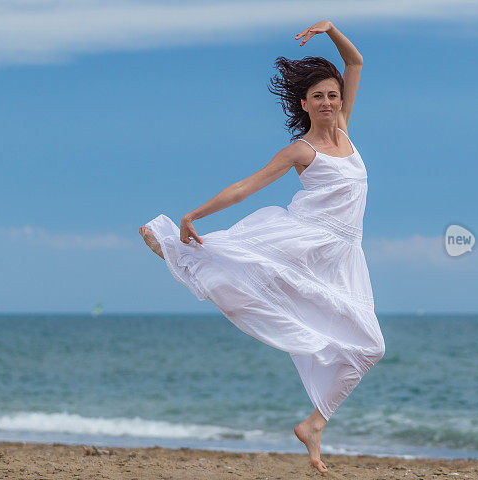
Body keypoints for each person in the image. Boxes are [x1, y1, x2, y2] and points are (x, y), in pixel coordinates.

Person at [139, 20, 384, 474]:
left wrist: (330, 29)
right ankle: (177, 247)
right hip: (305, 239)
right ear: (305, 104)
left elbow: (355, 61)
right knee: (245, 271)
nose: (329, 102)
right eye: (319, 97)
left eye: (333, 95)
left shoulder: (346, 129)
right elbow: (246, 187)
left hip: (345, 255)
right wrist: (196, 213)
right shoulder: (300, 150)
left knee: (369, 347)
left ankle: (313, 424)